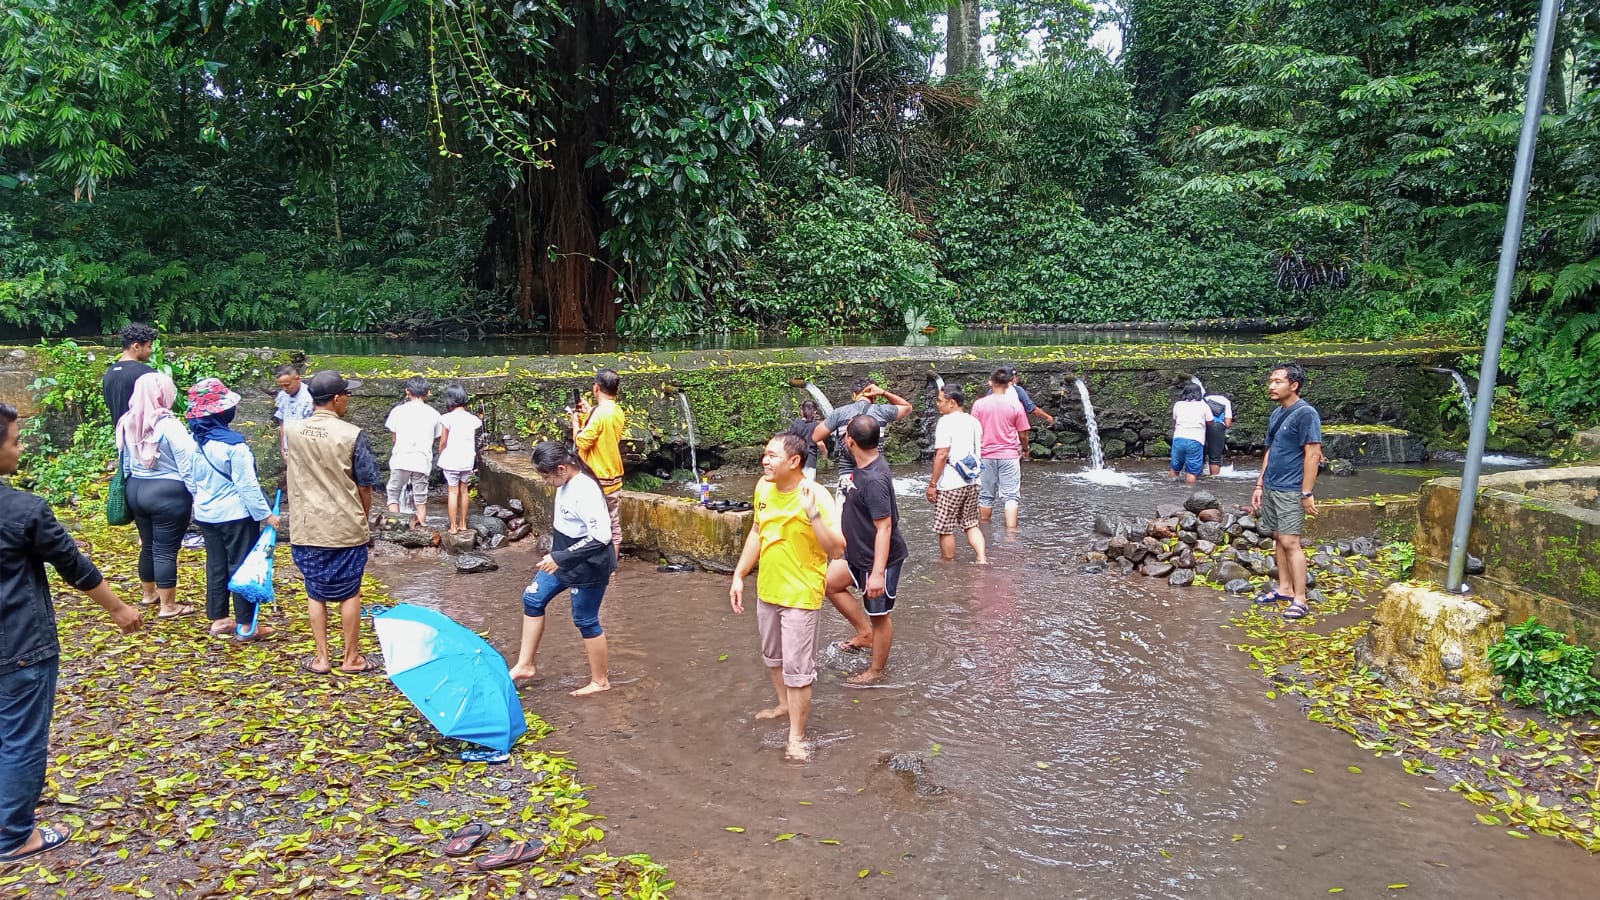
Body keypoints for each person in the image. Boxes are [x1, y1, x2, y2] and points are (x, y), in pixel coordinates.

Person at [0, 402, 142, 865]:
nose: (20, 449)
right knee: (21, 737)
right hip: (19, 643)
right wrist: (119, 609)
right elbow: (72, 565)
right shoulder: (23, 510)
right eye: (16, 441)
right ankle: (14, 835)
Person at [730, 433, 844, 761]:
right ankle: (783, 705)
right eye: (765, 454)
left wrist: (814, 515)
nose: (765, 461)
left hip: (801, 594)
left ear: (794, 462)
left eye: (772, 455)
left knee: (797, 670)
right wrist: (739, 576)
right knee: (773, 658)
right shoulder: (763, 487)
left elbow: (837, 549)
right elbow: (757, 531)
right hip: (768, 589)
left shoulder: (816, 495)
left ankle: (797, 736)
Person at [282, 370, 383, 675]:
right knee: (350, 591)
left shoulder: (292, 431)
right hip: (344, 527)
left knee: (315, 591)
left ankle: (322, 658)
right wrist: (362, 518)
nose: (348, 400)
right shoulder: (352, 434)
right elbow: (365, 485)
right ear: (338, 399)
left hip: (306, 526)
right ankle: (351, 658)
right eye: (347, 395)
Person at [507, 442, 616, 697]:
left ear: (561, 468)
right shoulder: (564, 481)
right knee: (532, 598)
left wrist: (561, 557)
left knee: (585, 620)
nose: (544, 481)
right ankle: (525, 665)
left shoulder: (585, 490)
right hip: (563, 557)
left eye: (545, 476)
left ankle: (600, 681)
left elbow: (602, 536)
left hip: (588, 563)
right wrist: (559, 556)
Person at [185, 378, 280, 640]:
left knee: (216, 565)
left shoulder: (196, 443)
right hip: (236, 516)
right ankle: (247, 626)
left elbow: (189, 479)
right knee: (242, 565)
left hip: (206, 513)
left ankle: (219, 620)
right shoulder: (235, 446)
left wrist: (201, 500)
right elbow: (247, 487)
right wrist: (267, 516)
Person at [826, 415, 908, 684]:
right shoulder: (862, 462)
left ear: (851, 441)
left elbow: (884, 528)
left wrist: (877, 574)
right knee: (830, 584)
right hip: (856, 552)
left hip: (876, 559)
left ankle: (876, 671)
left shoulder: (873, 480)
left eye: (846, 434)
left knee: (880, 616)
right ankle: (864, 634)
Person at [117, 372, 198, 618]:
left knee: (148, 545)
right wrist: (195, 492)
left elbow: (125, 461)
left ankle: (148, 594)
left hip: (136, 489)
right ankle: (168, 606)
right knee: (165, 549)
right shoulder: (168, 424)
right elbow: (186, 460)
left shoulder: (127, 420)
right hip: (167, 493)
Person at [1251, 363, 1323, 621]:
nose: (1271, 386)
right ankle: (1284, 588)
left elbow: (1313, 453)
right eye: (1271, 381)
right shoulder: (1277, 414)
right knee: (1279, 537)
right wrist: (1260, 484)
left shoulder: (1306, 414)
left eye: (1278, 381)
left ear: (1294, 385)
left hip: (1292, 489)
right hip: (1272, 486)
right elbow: (1270, 450)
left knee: (1291, 541)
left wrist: (1306, 492)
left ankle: (1300, 599)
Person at [811, 378, 912, 497]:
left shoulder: (839, 413)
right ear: (874, 396)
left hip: (847, 476)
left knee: (846, 514)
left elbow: (816, 436)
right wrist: (883, 392)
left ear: (854, 395)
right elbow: (907, 407)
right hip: (875, 475)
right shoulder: (881, 411)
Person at [925, 387, 987, 564]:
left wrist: (933, 484)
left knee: (945, 528)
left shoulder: (945, 422)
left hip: (951, 483)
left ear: (952, 402)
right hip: (973, 480)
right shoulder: (974, 421)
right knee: (971, 524)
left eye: (940, 401)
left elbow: (942, 454)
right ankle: (981, 558)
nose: (938, 404)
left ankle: (948, 563)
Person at [572, 369, 625, 558]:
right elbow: (602, 432)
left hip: (597, 477)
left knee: (592, 523)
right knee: (613, 523)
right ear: (616, 389)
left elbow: (582, 441)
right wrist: (589, 412)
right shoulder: (616, 410)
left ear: (596, 387)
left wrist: (576, 424)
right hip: (614, 475)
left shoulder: (600, 413)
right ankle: (612, 566)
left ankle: (594, 562)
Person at [970, 369, 1030, 528]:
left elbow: (973, 431)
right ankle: (1011, 535)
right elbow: (1023, 433)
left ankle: (984, 531)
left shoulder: (979, 405)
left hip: (985, 455)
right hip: (1009, 455)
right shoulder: (1015, 405)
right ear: (1009, 383)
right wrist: (1025, 449)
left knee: (985, 496)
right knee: (1011, 497)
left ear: (990, 382)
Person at [384, 377, 440, 527]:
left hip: (401, 459)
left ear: (407, 391)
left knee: (393, 495)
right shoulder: (434, 414)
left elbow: (394, 438)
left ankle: (396, 528)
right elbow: (435, 438)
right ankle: (421, 529)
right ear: (428, 393)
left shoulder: (397, 411)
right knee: (420, 501)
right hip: (422, 461)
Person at [436, 385, 482, 536]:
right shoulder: (473, 419)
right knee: (464, 491)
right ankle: (463, 524)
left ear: (449, 399)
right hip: (467, 460)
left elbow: (443, 441)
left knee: (453, 492)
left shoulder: (447, 418)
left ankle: (453, 527)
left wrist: (440, 452)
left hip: (451, 460)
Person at [102, 322, 158, 427]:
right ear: (136, 346)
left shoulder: (109, 373)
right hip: (143, 439)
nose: (151, 351)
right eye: (149, 346)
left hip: (120, 438)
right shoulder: (146, 374)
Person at [1170, 383, 1210, 485]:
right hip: (1195, 440)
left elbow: (1175, 418)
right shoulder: (1203, 406)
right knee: (1192, 471)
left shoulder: (1178, 405)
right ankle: (1189, 493)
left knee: (1175, 468)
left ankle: (1170, 490)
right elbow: (1210, 421)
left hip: (1179, 438)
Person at [790, 399, 827, 482]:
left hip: (797, 460)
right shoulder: (816, 426)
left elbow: (790, 441)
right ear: (815, 412)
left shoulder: (796, 423)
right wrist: (825, 454)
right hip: (810, 461)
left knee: (796, 487)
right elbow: (820, 443)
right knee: (808, 488)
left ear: (802, 412)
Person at [1202, 387, 1234, 476]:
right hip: (1217, 427)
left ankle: (1197, 478)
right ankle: (1214, 480)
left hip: (1201, 427)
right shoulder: (1225, 401)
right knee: (1215, 458)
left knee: (1199, 455)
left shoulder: (1203, 400)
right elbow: (1227, 423)